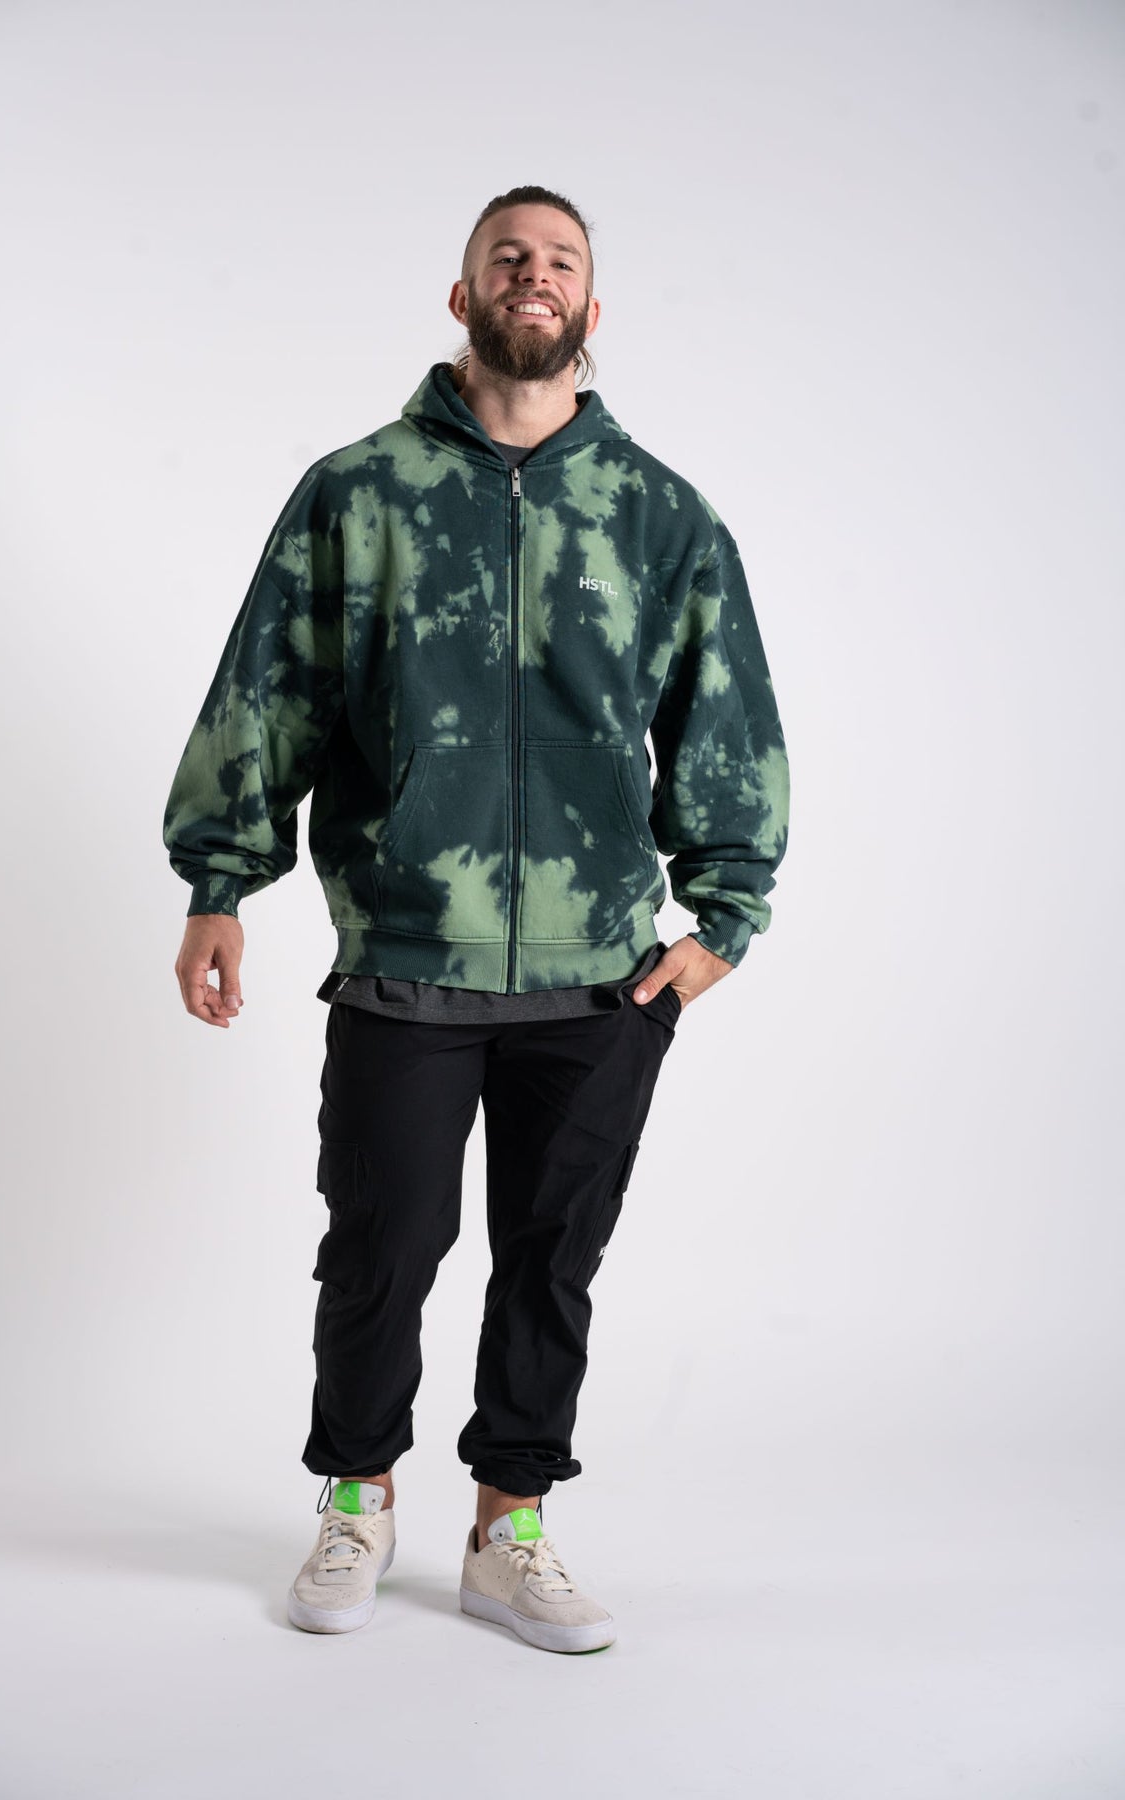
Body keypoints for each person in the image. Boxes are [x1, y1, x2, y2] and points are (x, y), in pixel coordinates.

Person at [162, 184, 790, 1655]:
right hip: (408, 952)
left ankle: (512, 1526)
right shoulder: (357, 492)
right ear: (463, 297)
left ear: (590, 308)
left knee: (551, 1262)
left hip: (603, 976)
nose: (533, 274)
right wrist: (219, 883)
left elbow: (726, 717)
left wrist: (725, 913)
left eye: (560, 259)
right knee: (382, 1246)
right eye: (507, 256)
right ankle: (356, 1500)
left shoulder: (662, 514)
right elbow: (270, 687)